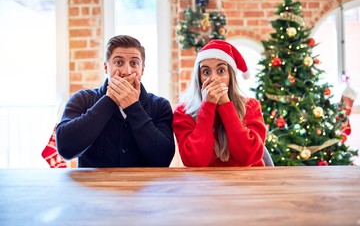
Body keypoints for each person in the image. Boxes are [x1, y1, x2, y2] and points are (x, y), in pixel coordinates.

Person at [56, 35, 175, 167]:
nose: (126, 71)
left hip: (143, 187)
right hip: (94, 187)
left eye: (134, 63)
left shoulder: (160, 106)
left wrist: (133, 107)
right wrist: (110, 100)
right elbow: (65, 149)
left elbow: (163, 159)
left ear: (142, 70)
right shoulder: (83, 99)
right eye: (119, 62)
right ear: (106, 67)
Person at [172, 40, 266, 167]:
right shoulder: (183, 112)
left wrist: (226, 106)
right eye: (206, 72)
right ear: (198, 78)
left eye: (221, 70)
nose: (214, 78)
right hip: (206, 184)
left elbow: (247, 157)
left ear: (230, 76)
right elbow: (195, 162)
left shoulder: (251, 107)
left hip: (247, 182)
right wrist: (208, 106)